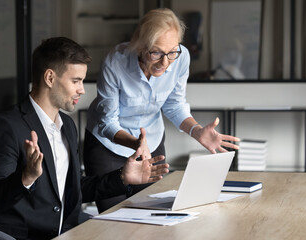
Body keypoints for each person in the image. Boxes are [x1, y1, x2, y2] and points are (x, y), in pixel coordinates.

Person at [0, 37, 169, 240]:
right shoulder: (6, 127)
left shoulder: (67, 126)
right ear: (50, 78)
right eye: (76, 81)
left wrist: (122, 178)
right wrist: (26, 177)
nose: (82, 89)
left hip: (70, 232)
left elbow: (75, 190)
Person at [84, 8, 240, 213]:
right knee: (114, 218)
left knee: (151, 214)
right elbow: (108, 122)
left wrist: (197, 131)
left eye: (172, 52)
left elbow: (174, 105)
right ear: (140, 46)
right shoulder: (116, 61)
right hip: (109, 148)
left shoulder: (181, 59)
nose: (165, 63)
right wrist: (136, 144)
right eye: (156, 52)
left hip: (152, 142)